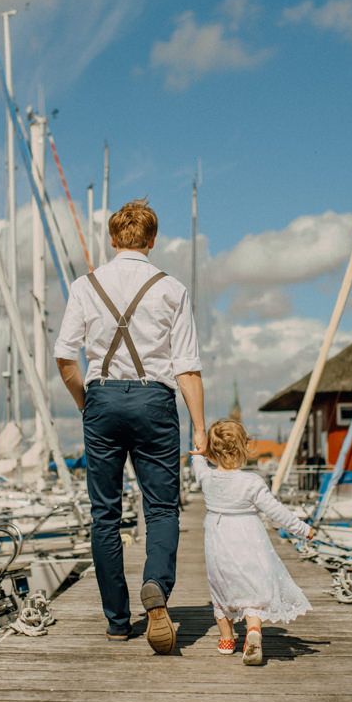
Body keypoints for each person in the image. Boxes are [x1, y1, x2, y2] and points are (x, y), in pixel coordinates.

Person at [54, 198, 206, 654]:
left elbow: (65, 357)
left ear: (113, 239)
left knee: (105, 514)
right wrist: (199, 428)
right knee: (161, 509)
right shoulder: (171, 288)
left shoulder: (86, 285)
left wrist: (88, 403)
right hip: (154, 399)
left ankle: (118, 622)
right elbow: (187, 367)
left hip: (101, 397)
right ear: (152, 241)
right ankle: (156, 584)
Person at [191, 418, 314, 665]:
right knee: (252, 588)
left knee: (221, 586)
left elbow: (198, 459)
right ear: (245, 447)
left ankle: (226, 639)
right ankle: (254, 631)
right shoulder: (252, 483)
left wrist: (201, 449)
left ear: (213, 451)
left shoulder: (206, 478)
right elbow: (277, 512)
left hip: (218, 540)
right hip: (249, 538)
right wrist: (303, 529)